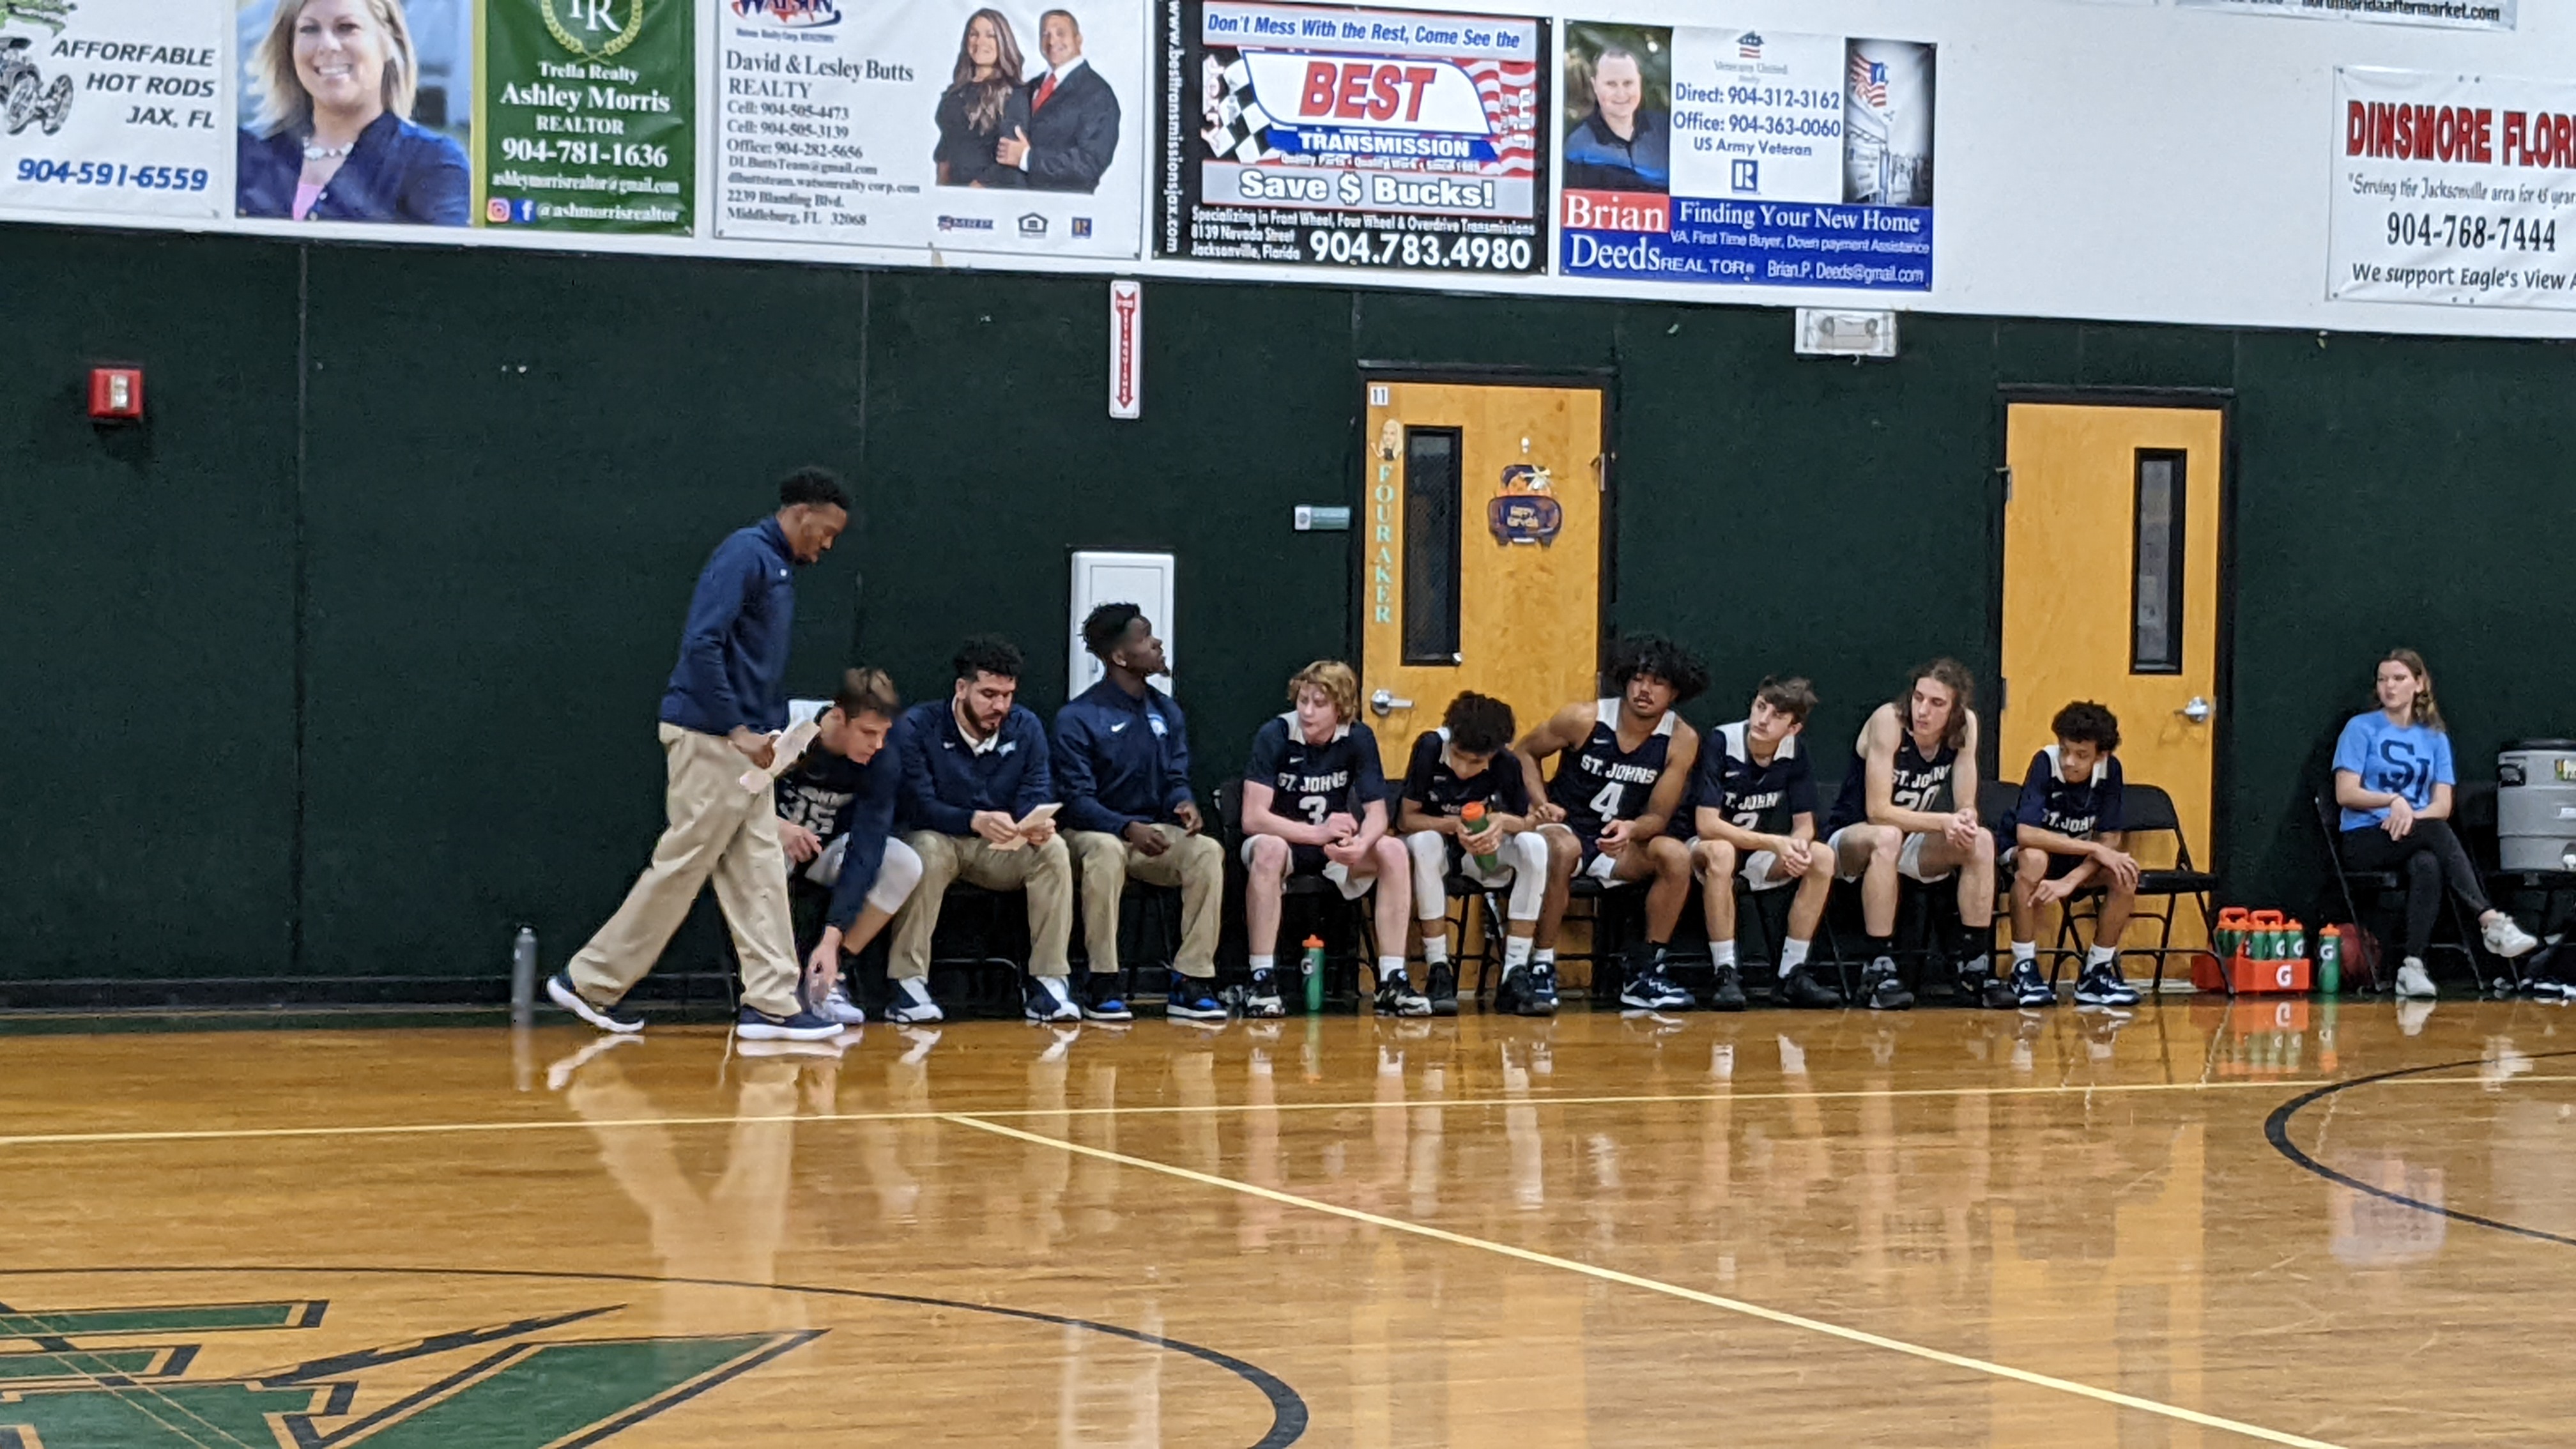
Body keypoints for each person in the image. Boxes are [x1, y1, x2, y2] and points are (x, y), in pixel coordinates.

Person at [549, 468, 852, 1043]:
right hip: (713, 740)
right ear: (802, 514)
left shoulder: (775, 564)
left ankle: (772, 1003)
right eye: (828, 531)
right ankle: (588, 981)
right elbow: (702, 644)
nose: (829, 544)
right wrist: (736, 730)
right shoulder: (745, 554)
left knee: (759, 868)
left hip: (747, 746)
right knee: (683, 864)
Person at [889, 635, 1080, 1023]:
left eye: (1007, 696)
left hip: (998, 847)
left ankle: (1048, 982)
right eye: (989, 694)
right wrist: (973, 819)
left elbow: (1036, 788)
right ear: (962, 688)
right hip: (939, 837)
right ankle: (907, 982)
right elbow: (917, 804)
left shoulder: (1025, 726)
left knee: (1054, 849)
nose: (1000, 706)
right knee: (925, 850)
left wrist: (1035, 823)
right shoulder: (918, 726)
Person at [1054, 603, 1226, 1024]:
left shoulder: (1166, 711)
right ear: (1119, 656)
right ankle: (1102, 981)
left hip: (1150, 833)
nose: (1157, 643)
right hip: (1092, 833)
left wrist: (1184, 802)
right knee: (1106, 851)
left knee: (1206, 852)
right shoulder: (1078, 717)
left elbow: (1176, 775)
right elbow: (1076, 801)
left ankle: (1191, 980)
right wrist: (1125, 827)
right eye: (1146, 638)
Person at [2334, 648, 2538, 999]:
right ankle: (2490, 920)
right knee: (2433, 833)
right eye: (2383, 680)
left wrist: (2409, 816)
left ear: (2419, 684)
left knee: (2428, 863)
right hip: (2365, 837)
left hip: (2415, 832)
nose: (2389, 687)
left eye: (2399, 679)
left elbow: (2442, 806)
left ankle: (2412, 966)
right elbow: (2345, 793)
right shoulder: (2361, 728)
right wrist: (2392, 801)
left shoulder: (2434, 737)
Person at [1515, 634, 1704, 1012]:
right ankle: (1541, 965)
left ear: (1675, 692)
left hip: (1616, 841)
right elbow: (1523, 752)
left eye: (1657, 683)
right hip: (1566, 828)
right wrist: (1541, 803)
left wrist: (1632, 829)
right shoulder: (1584, 718)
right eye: (1638, 678)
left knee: (1675, 855)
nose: (1644, 690)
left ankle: (1645, 970)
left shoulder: (1681, 739)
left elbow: (1658, 816)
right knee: (1565, 849)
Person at [1823, 659, 2002, 1011]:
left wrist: (1965, 818)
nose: (1923, 710)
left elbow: (1966, 803)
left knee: (1980, 840)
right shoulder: (1889, 721)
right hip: (1852, 839)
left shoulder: (1966, 726)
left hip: (1910, 840)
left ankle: (1973, 964)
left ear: (1954, 709)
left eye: (1937, 703)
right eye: (1919, 698)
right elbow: (1877, 811)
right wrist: (1943, 822)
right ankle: (1878, 966)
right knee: (1887, 836)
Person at [1240, 661, 1413, 1017]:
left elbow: (1377, 814)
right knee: (1269, 849)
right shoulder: (1275, 734)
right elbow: (1253, 817)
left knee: (1394, 850)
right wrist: (1316, 834)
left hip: (1333, 848)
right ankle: (1261, 978)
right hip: (1283, 842)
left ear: (1341, 708)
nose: (1307, 711)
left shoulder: (1358, 737)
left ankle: (1392, 979)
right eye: (1303, 700)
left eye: (1319, 704)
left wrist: (1362, 844)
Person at [774, 668, 924, 1027]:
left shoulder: (882, 759)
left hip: (823, 853)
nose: (877, 744)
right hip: (766, 844)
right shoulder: (788, 725)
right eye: (868, 733)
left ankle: (828, 974)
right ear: (838, 717)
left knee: (905, 863)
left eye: (884, 733)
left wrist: (832, 939)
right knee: (763, 853)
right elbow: (732, 796)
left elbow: (866, 849)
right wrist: (776, 828)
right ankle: (773, 984)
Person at [236, 0, 468, 224]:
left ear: (390, 42)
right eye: (309, 29)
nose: (327, 45)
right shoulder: (247, 158)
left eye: (347, 27)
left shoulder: (433, 163)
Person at [1690, 677, 1843, 1011]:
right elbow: (1707, 825)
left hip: (1760, 851)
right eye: (1760, 707)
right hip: (1704, 847)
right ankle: (1725, 972)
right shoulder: (1722, 740)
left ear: (1793, 728)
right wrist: (1777, 844)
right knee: (1722, 851)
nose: (1762, 720)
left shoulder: (1795, 751)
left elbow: (1805, 825)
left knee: (1821, 857)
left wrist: (1796, 849)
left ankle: (1792, 972)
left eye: (1777, 716)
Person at [1398, 693, 1551, 1017]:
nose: (1465, 770)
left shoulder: (1507, 763)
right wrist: (1453, 825)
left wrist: (1501, 822)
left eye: (1477, 763)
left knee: (1534, 845)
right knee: (1424, 842)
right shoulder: (1429, 747)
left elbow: (1526, 821)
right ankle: (1438, 969)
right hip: (1439, 848)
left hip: (1480, 854)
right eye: (1459, 757)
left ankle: (1515, 972)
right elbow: (1406, 819)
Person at [2006, 702, 2141, 1010]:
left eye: (2081, 755)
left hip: (2075, 858)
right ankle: (2023, 968)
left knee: (2124, 873)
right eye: (2065, 750)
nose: (2069, 761)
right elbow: (2026, 834)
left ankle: (2097, 972)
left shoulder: (2111, 771)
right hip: (2033, 853)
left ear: (2101, 756)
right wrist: (2093, 848)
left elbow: (2110, 839)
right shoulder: (2045, 762)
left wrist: (2072, 879)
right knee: (2034, 860)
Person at [994, 9, 1120, 194]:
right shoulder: (1027, 89)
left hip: (1066, 205)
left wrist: (1027, 159)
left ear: (1078, 40)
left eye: (1060, 33)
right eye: (1045, 35)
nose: (1052, 42)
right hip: (1016, 201)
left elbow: (1089, 164)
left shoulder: (1098, 94)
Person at [933, 8, 1029, 188]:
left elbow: (1010, 157)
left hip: (996, 193)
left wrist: (976, 189)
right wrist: (941, 193)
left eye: (990, 35)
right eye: (974, 34)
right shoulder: (953, 94)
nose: (980, 42)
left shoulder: (1015, 94)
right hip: (955, 192)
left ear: (1003, 41)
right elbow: (945, 151)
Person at [1560, 45, 1668, 193]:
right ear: (1595, 86)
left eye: (1628, 83)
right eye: (1611, 84)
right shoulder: (1579, 145)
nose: (1621, 94)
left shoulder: (1665, 133)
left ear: (1640, 82)